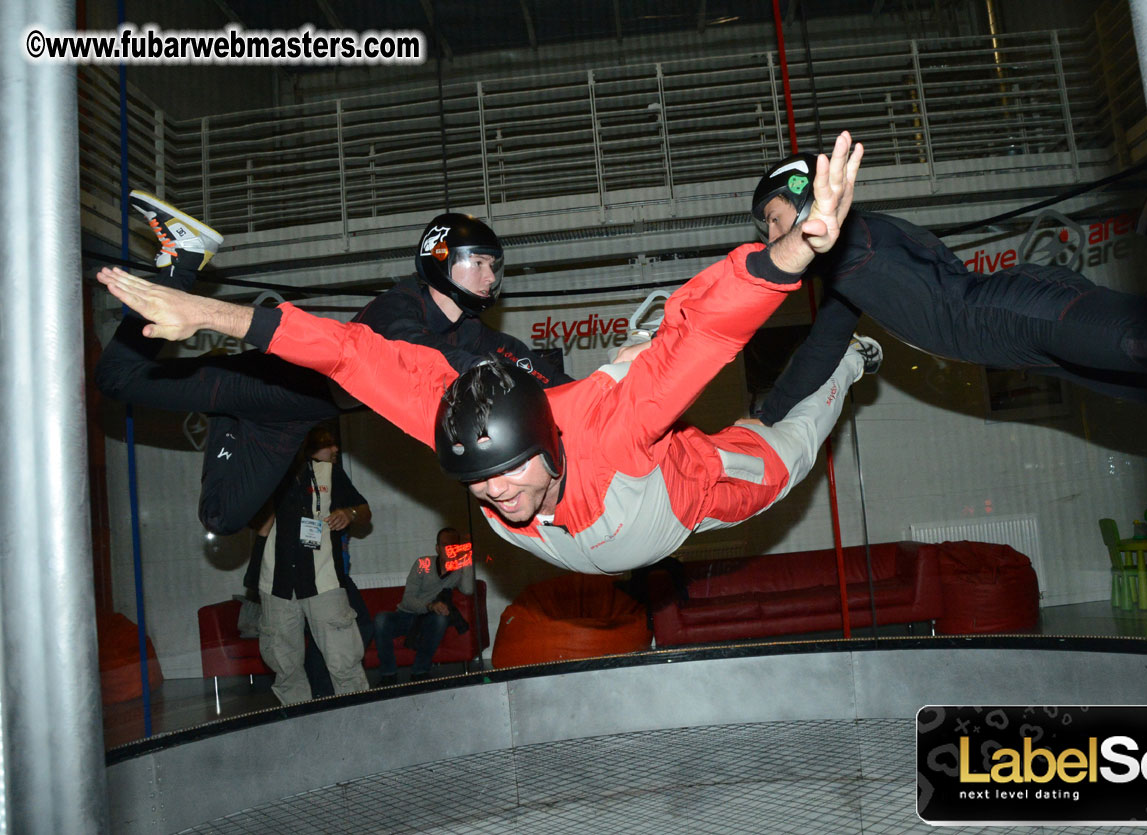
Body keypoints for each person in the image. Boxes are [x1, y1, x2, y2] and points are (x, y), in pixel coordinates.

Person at [97, 132, 877, 574]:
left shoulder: (605, 428)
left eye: (506, 473)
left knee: (785, 455)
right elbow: (344, 354)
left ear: (543, 444)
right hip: (585, 440)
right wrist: (212, 314)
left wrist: (790, 258)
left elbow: (705, 332)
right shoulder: (445, 413)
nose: (497, 494)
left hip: (669, 492)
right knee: (222, 493)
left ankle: (845, 361)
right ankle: (630, 351)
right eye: (483, 478)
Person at [94, 195, 572, 535]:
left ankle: (228, 419)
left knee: (221, 518)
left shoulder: (470, 329)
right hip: (263, 384)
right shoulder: (397, 311)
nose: (491, 277)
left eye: (495, 267)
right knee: (116, 379)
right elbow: (425, 363)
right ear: (440, 261)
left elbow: (526, 364)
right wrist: (504, 376)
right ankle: (181, 260)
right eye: (480, 264)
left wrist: (598, 387)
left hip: (299, 417)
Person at [747, 152, 1147, 425]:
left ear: (807, 202)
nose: (769, 234)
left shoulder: (851, 242)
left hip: (1014, 311)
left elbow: (828, 241)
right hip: (1013, 347)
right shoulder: (844, 278)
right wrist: (767, 417)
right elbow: (820, 351)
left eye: (773, 217)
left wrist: (821, 227)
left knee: (1143, 345)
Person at [252, 422, 372, 704]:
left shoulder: (329, 473)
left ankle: (359, 724)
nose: (335, 449)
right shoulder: (267, 475)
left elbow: (364, 511)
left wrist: (349, 513)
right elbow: (252, 524)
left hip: (324, 580)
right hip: (276, 583)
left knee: (345, 664)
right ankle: (301, 728)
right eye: (328, 443)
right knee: (286, 669)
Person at [372, 527, 475, 686]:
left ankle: (420, 671)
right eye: (444, 545)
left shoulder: (458, 569)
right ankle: (388, 674)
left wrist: (467, 557)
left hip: (430, 619)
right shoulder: (423, 563)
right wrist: (430, 605)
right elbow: (407, 600)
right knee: (381, 619)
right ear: (437, 548)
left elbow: (468, 589)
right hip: (407, 614)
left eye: (453, 546)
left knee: (441, 619)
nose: (448, 550)